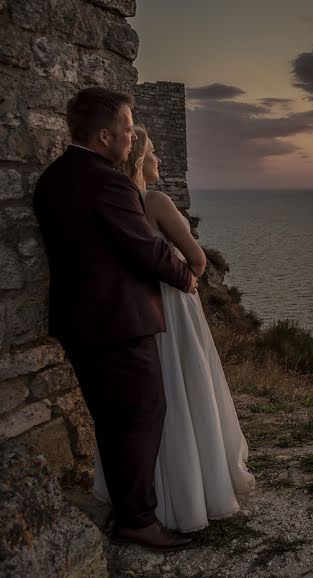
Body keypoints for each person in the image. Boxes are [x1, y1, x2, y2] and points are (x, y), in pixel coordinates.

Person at [32, 87, 197, 551]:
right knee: (143, 414)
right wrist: (184, 275)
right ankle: (138, 521)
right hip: (118, 322)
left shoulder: (53, 179)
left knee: (110, 418)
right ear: (104, 136)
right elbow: (145, 246)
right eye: (126, 128)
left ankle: (126, 508)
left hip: (77, 320)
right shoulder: (108, 182)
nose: (131, 136)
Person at [93, 125, 256, 533]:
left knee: (154, 396)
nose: (159, 158)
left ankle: (152, 493)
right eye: (152, 151)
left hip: (139, 307)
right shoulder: (155, 200)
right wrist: (190, 274)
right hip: (174, 301)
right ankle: (197, 489)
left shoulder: (121, 204)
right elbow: (197, 258)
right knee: (188, 388)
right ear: (137, 160)